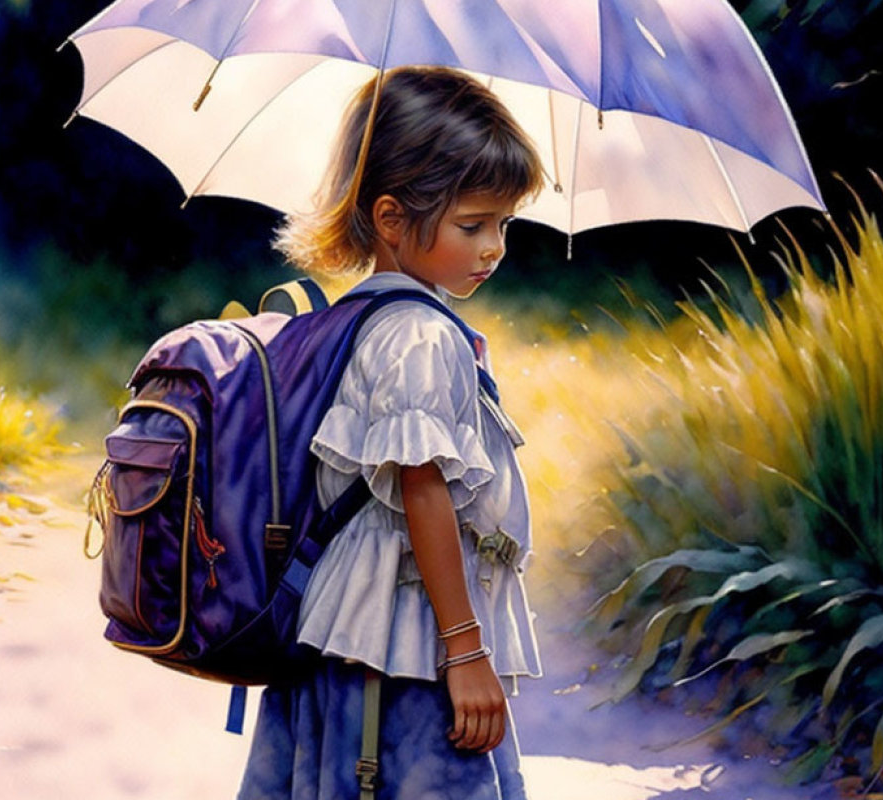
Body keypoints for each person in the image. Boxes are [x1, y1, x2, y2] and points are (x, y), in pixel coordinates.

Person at [237, 66, 544, 800]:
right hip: (408, 642)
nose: (494, 247)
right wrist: (466, 651)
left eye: (504, 224)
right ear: (389, 217)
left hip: (343, 630)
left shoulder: (354, 317)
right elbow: (423, 488)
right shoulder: (419, 337)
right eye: (473, 225)